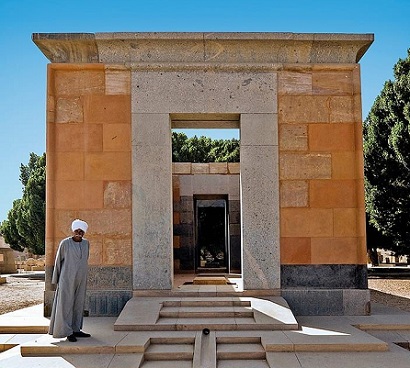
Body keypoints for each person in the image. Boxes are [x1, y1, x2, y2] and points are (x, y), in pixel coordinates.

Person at [48, 219, 91, 342]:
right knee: (66, 305)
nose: (79, 233)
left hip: (81, 279)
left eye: (81, 231)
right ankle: (67, 331)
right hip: (66, 279)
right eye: (77, 230)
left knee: (78, 303)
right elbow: (58, 262)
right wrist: (56, 280)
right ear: (73, 230)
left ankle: (76, 329)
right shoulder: (65, 243)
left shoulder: (86, 243)